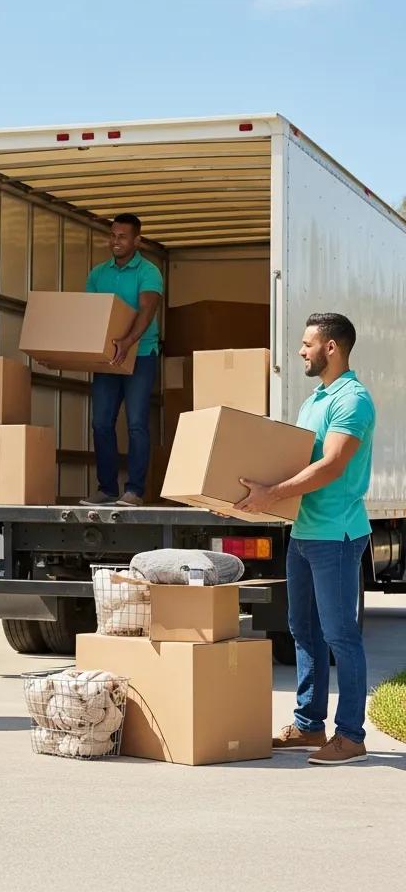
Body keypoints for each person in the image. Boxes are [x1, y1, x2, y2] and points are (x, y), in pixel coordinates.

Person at [236, 313, 374, 765]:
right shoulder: (315, 398)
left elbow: (332, 465)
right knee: (303, 630)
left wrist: (272, 493)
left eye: (307, 343)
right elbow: (294, 460)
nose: (301, 351)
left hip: (336, 535)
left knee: (340, 636)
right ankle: (310, 726)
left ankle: (351, 736)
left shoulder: (353, 400)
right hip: (304, 531)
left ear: (332, 347)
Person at [81, 213, 163, 508]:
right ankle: (107, 489)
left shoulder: (149, 271)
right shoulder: (98, 273)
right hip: (108, 359)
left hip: (140, 356)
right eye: (113, 235)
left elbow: (147, 311)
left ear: (137, 240)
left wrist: (127, 343)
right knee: (101, 423)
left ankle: (134, 491)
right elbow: (90, 313)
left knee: (137, 423)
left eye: (122, 236)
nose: (116, 241)